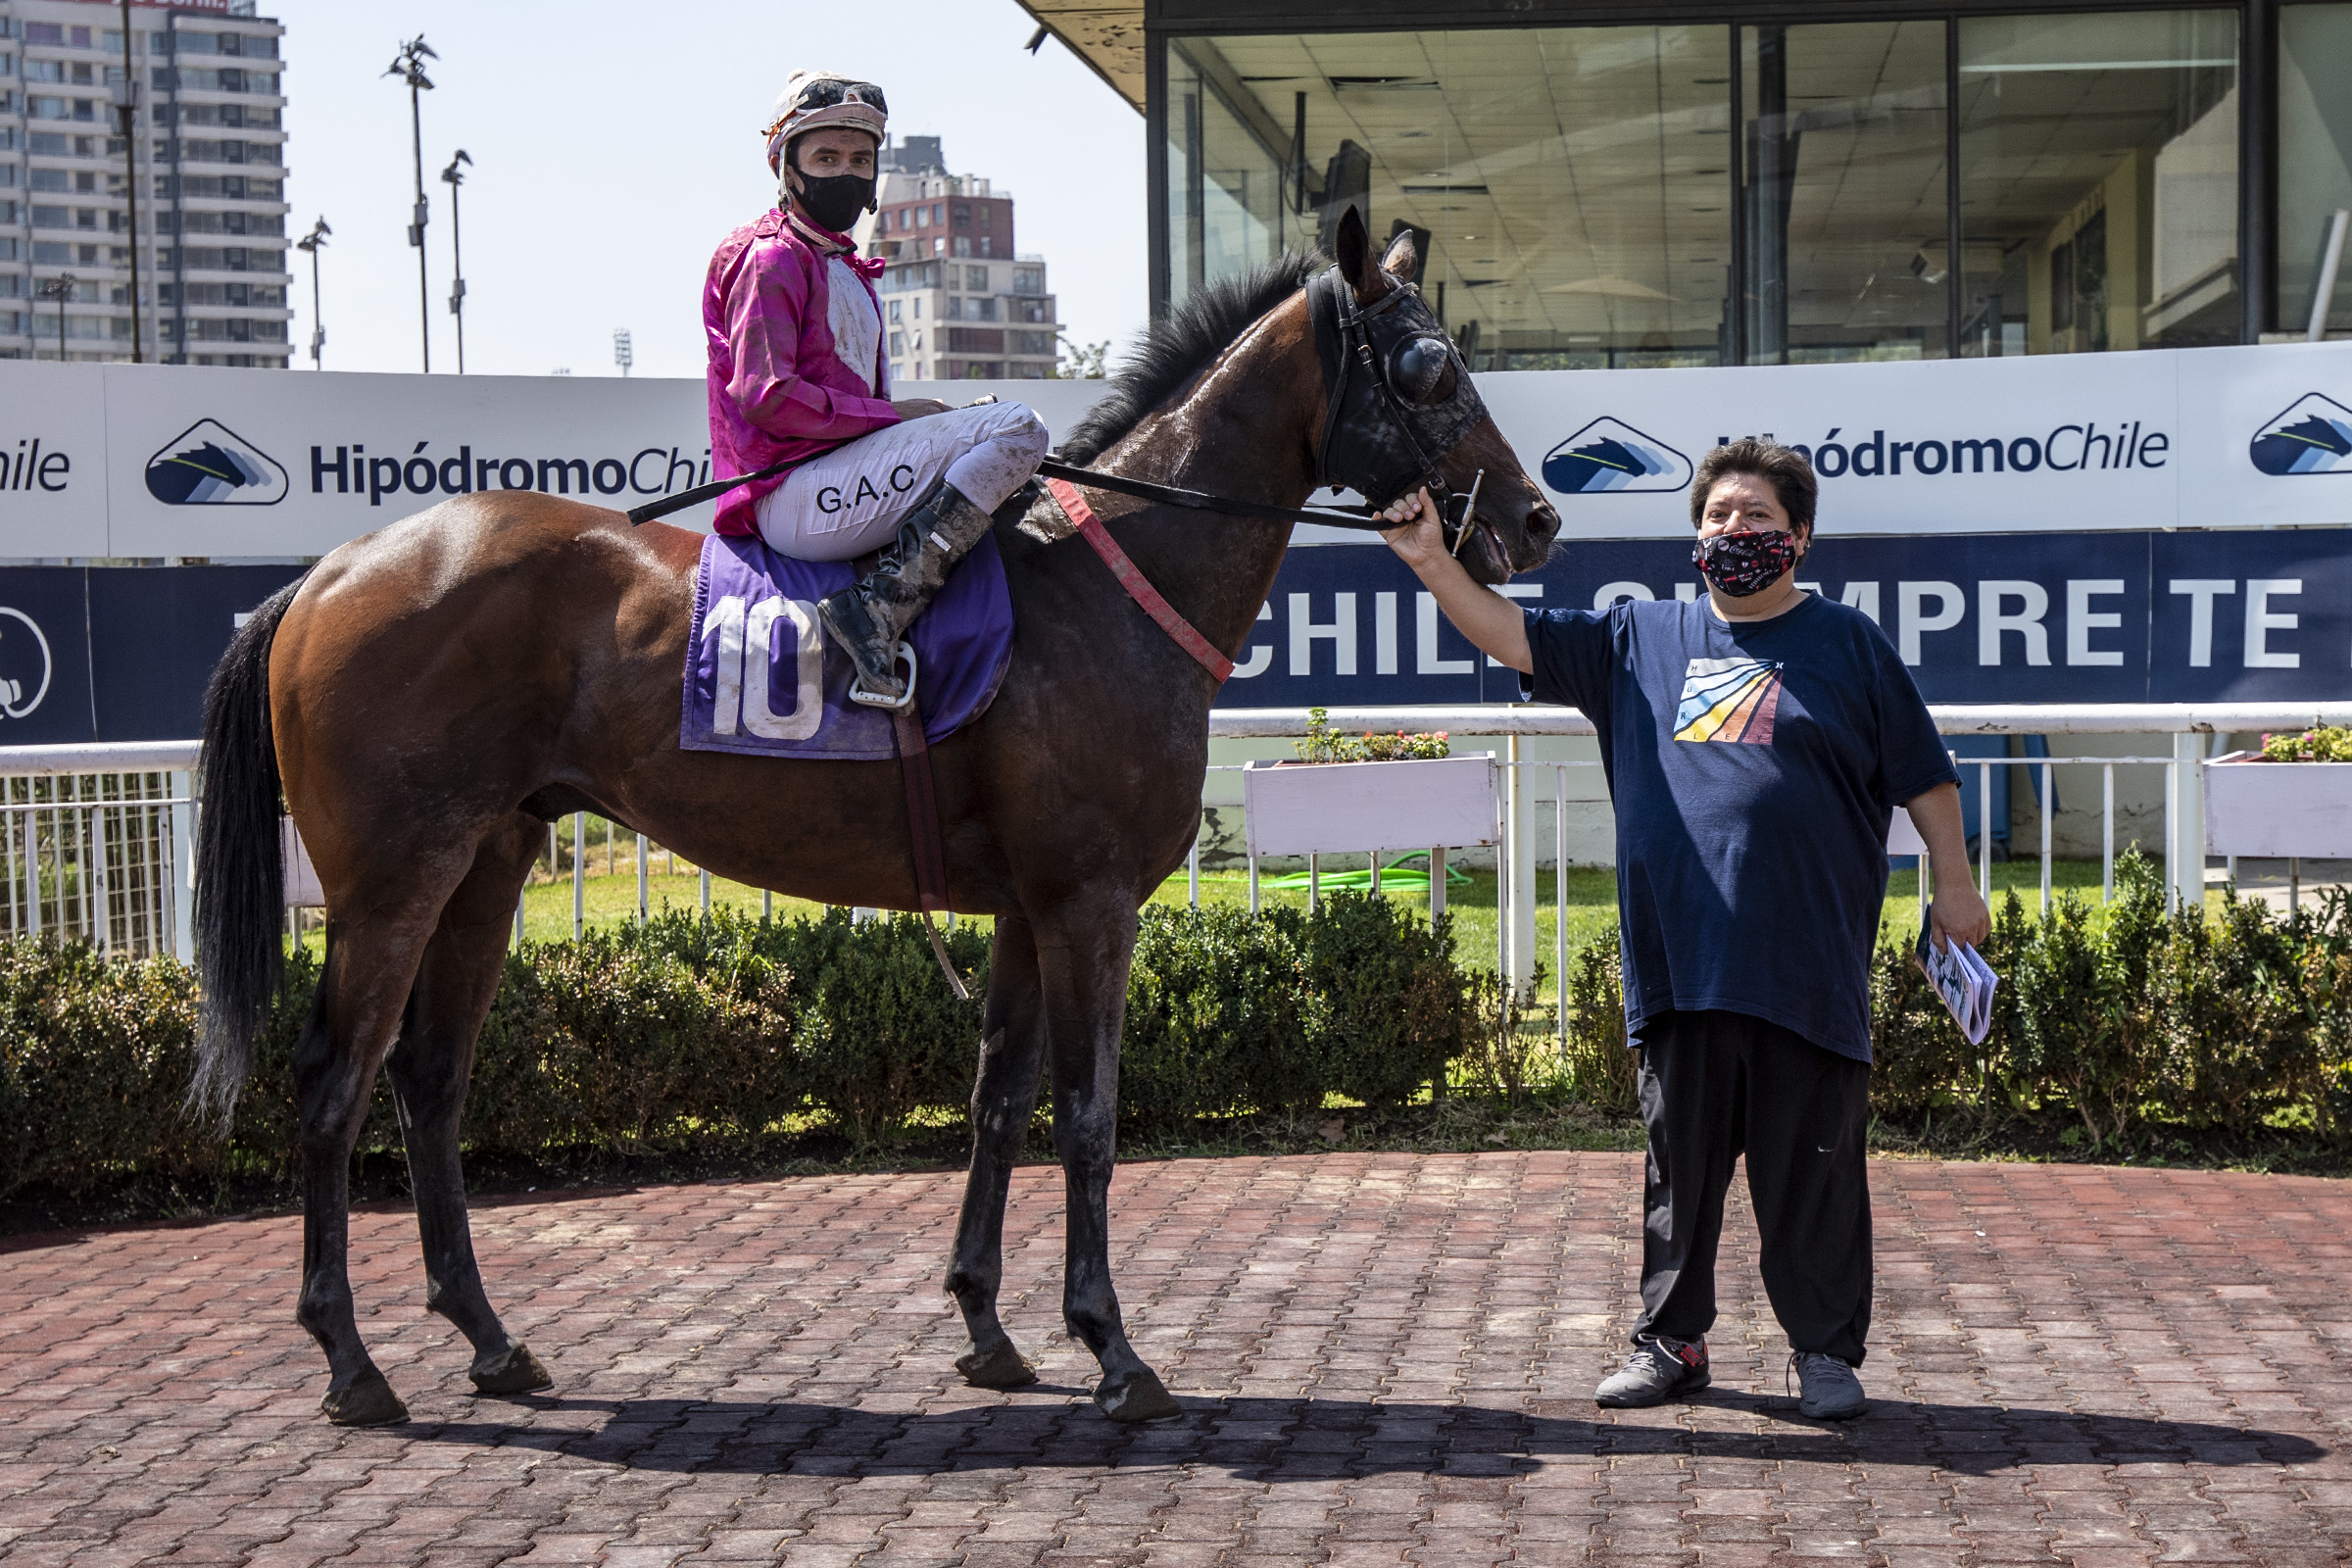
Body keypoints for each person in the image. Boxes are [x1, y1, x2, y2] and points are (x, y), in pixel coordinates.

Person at [1379, 439, 1990, 1421]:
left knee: (1815, 1171)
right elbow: (1511, 634)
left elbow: (1926, 777)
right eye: (1717, 516)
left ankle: (1824, 1353)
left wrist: (1955, 888)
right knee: (1681, 1172)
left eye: (1757, 516)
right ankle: (1671, 1342)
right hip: (1682, 962)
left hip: (1809, 963)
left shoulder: (1850, 644)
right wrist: (1426, 559)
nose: (1734, 530)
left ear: (1799, 537)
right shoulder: (1638, 637)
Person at [704, 71, 1050, 706]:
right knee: (1019, 427)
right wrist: (892, 417)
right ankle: (877, 611)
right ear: (786, 166)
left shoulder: (844, 265)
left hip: (838, 478)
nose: (846, 172)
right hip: (791, 494)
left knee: (993, 438)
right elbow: (766, 395)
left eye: (860, 160)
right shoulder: (771, 257)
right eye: (826, 158)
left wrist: (908, 420)